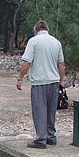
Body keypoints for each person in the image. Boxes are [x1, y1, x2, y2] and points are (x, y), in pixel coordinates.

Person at [16, 20, 65, 149]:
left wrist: (20, 77)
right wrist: (61, 80)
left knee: (39, 110)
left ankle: (40, 139)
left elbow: (27, 62)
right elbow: (61, 63)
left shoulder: (34, 41)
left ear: (36, 30)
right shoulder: (56, 42)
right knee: (51, 110)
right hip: (54, 81)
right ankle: (51, 136)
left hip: (39, 81)